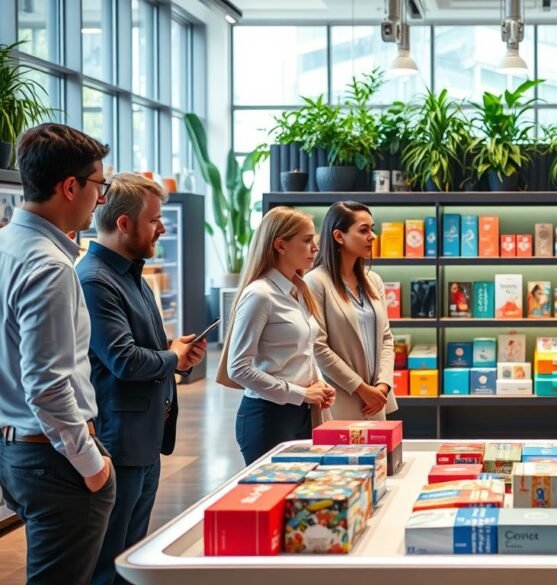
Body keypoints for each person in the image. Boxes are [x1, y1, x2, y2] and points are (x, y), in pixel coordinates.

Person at [77, 173, 208, 585]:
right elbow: (123, 359)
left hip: (144, 438)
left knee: (131, 553)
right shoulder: (96, 280)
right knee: (111, 561)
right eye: (154, 220)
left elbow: (140, 347)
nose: (163, 228)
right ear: (124, 224)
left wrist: (176, 355)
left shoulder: (130, 273)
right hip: (120, 440)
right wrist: (172, 357)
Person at [0, 123, 115, 584]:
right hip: (54, 457)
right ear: (71, 187)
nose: (100, 199)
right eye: (98, 186)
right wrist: (92, 466)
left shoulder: (8, 244)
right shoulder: (48, 265)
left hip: (16, 448)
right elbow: (46, 385)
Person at [219, 206, 336, 465]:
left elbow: (301, 351)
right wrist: (299, 392)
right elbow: (238, 368)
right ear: (280, 245)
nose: (315, 248)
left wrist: (317, 384)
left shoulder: (299, 290)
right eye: (306, 241)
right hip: (267, 418)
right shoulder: (259, 294)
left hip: (302, 413)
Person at [305, 201, 398, 421]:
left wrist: (383, 386)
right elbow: (317, 346)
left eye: (372, 228)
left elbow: (386, 338)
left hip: (376, 401)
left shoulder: (373, 280)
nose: (373, 236)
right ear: (339, 236)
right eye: (364, 230)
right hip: (340, 399)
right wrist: (361, 388)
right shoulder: (315, 282)